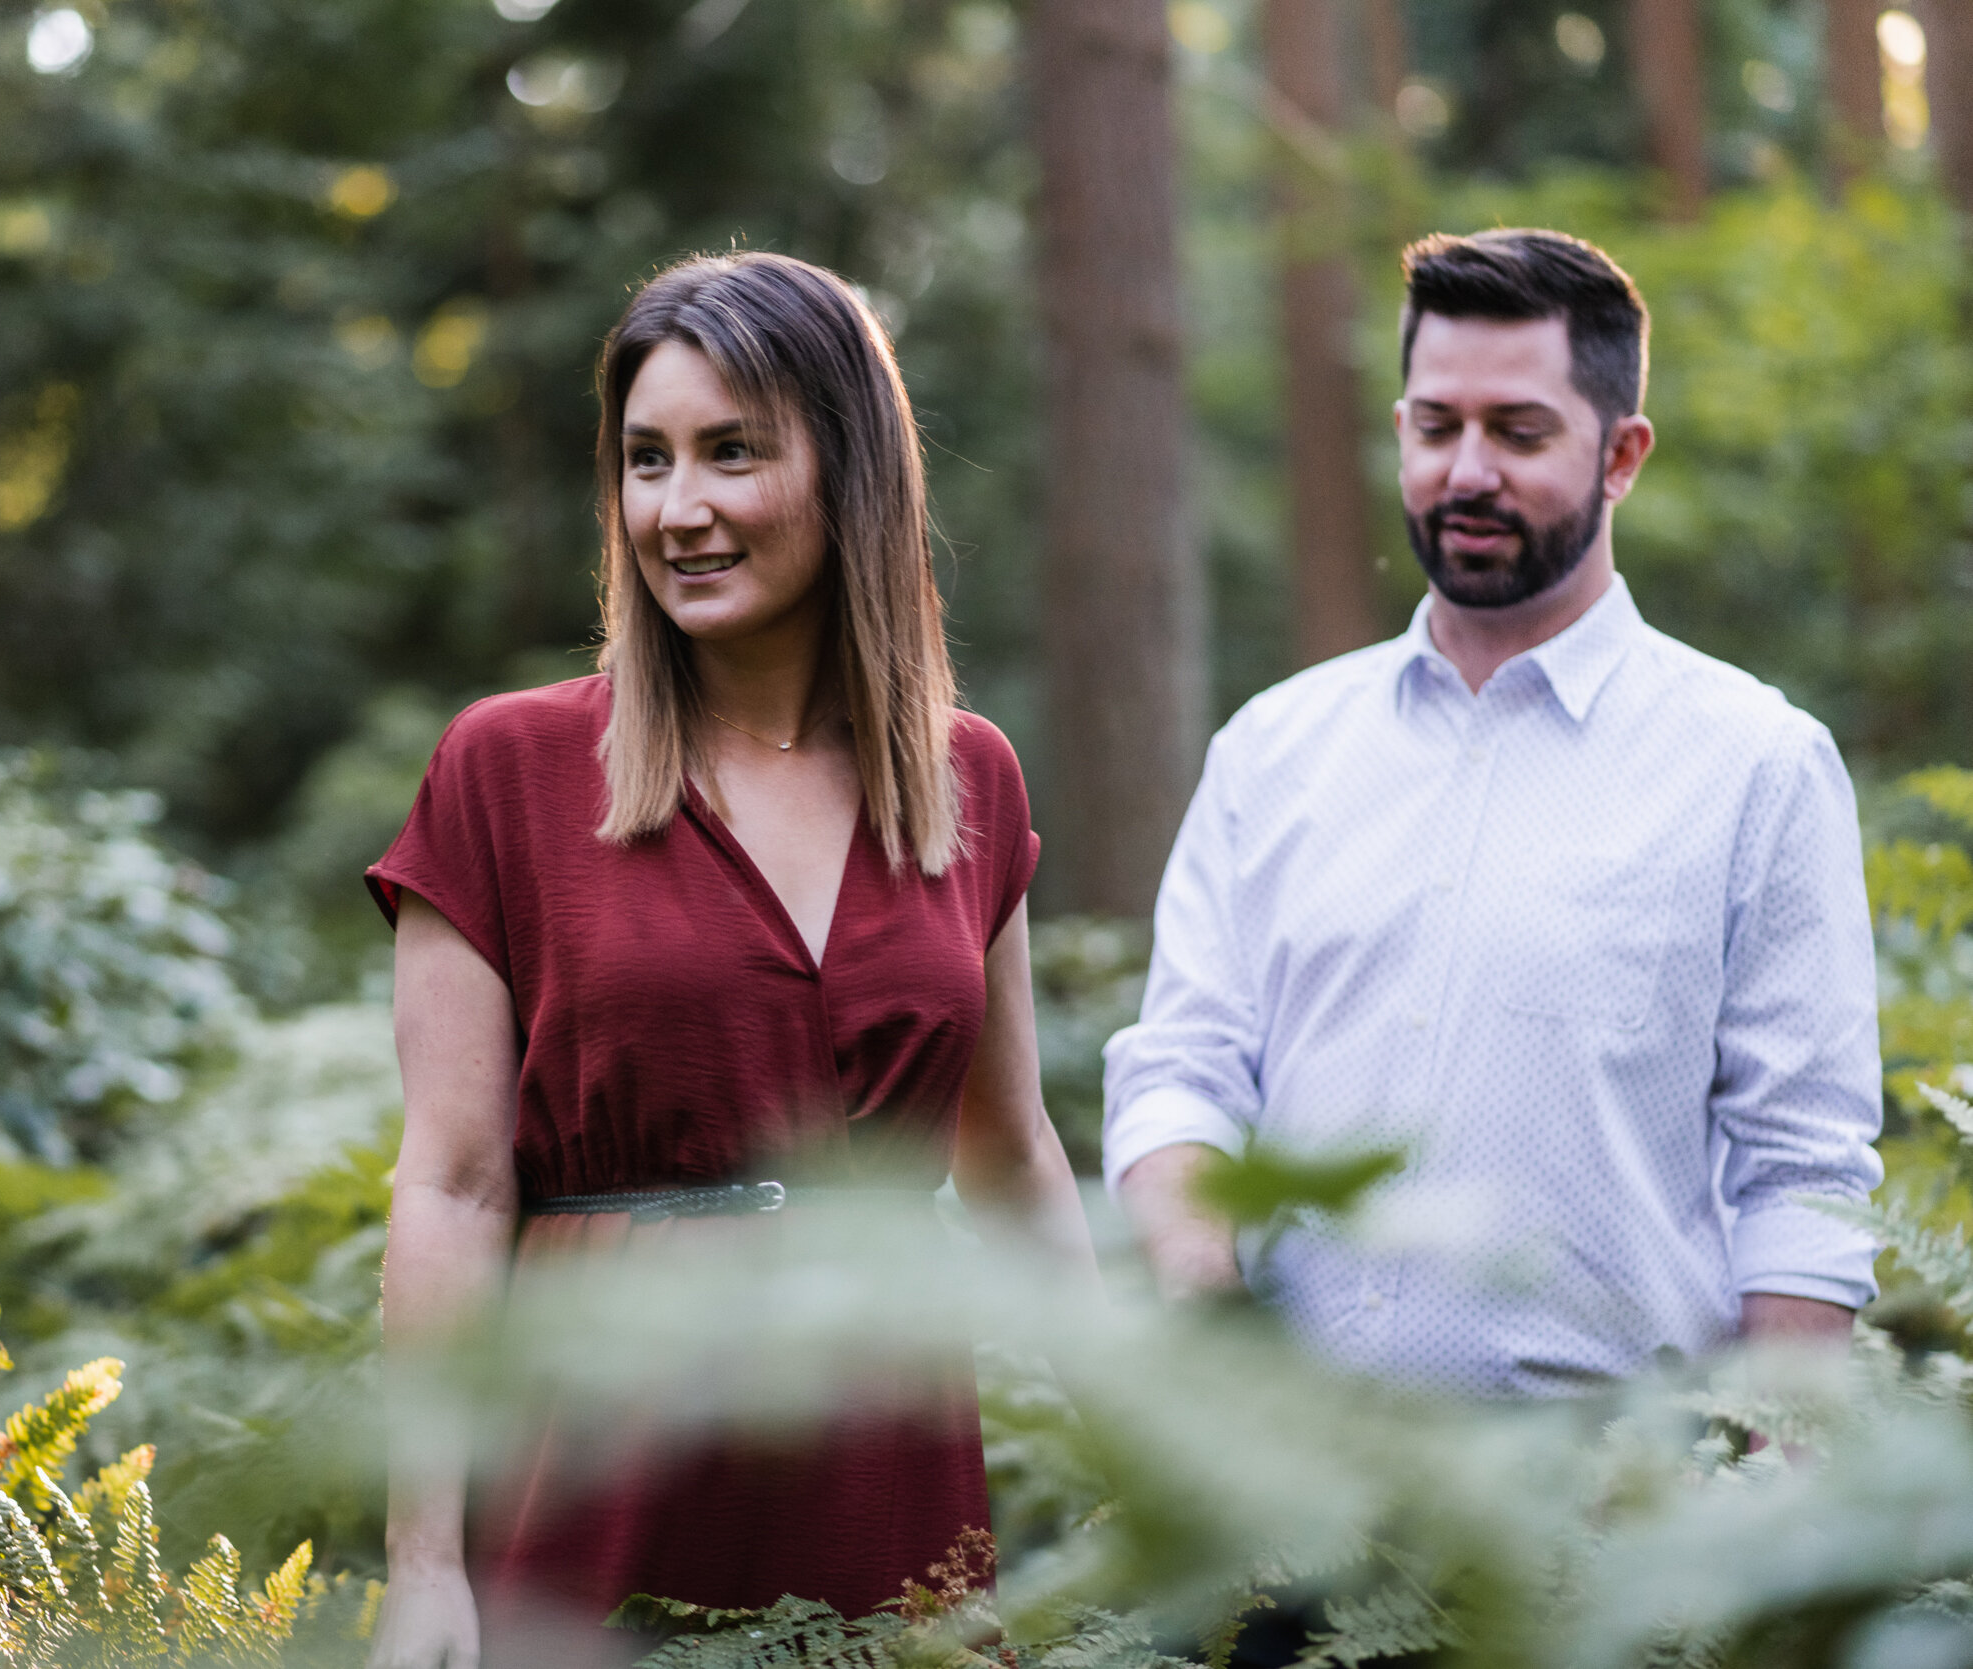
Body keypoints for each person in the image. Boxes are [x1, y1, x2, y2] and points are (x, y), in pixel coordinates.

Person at [365, 251, 1096, 1669]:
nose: (678, 510)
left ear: (851, 472)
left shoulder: (968, 782)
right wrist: (423, 1565)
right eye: (646, 460)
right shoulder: (507, 767)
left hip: (886, 1480)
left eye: (731, 454)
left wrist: (1154, 1454)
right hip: (599, 1463)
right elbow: (451, 1186)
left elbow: (1014, 1158)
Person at [1105, 228, 1883, 1400]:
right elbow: (1181, 1068)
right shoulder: (1272, 747)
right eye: (1435, 426)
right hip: (1279, 1507)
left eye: (1518, 433)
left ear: (1621, 455)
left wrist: (1769, 1506)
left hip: (1611, 1514)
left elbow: (1802, 1173)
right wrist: (1205, 1317)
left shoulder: (1756, 766)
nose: (1467, 471)